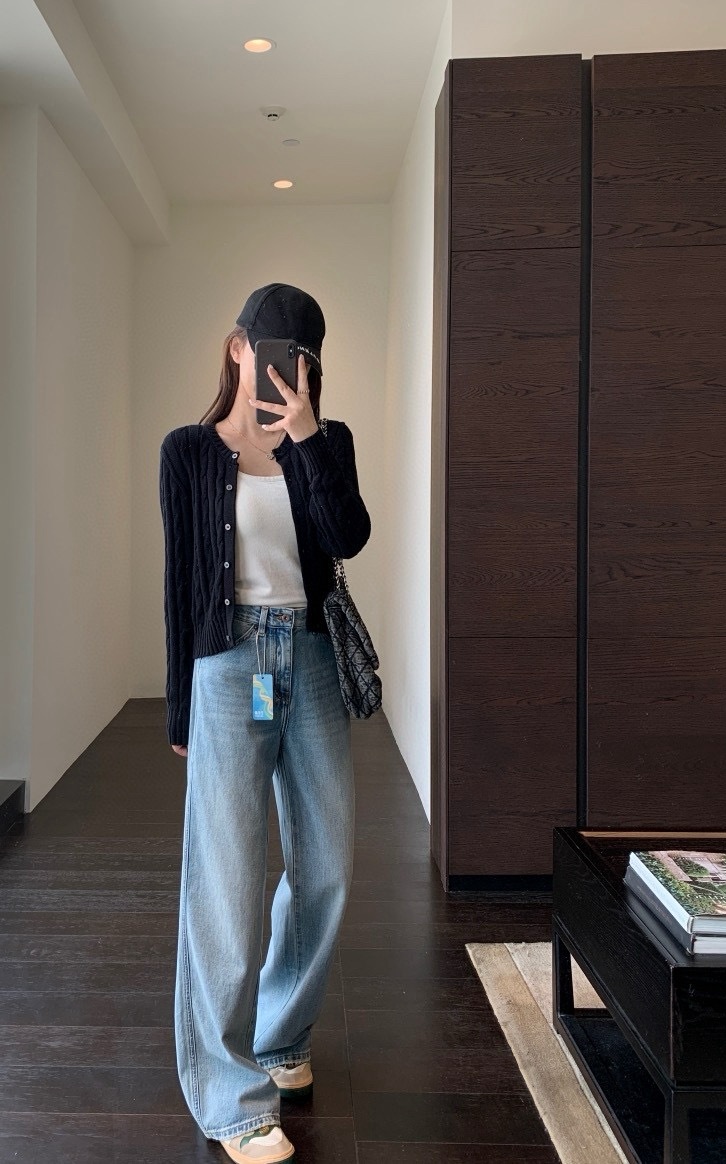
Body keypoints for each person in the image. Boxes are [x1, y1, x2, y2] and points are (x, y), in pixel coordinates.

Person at [158, 283, 371, 1163]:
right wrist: (179, 707)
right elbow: (180, 585)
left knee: (327, 862)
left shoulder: (328, 441)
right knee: (228, 878)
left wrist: (309, 437)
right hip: (230, 665)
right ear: (237, 348)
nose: (287, 368)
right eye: (274, 349)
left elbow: (347, 537)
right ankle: (230, 1095)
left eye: (304, 357)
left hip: (308, 658)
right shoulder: (187, 452)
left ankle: (281, 1036)